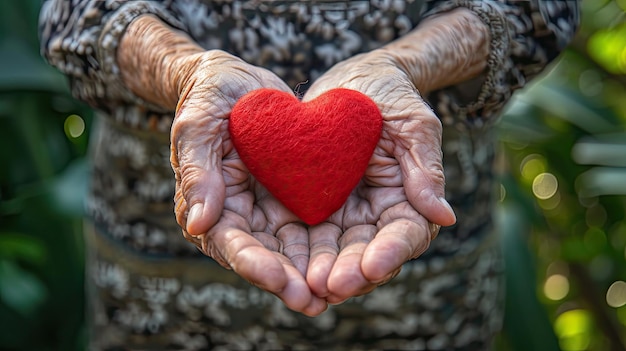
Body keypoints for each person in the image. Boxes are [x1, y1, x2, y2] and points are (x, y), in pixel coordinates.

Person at [39, 1, 579, 349]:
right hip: (161, 294)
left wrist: (409, 64)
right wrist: (187, 72)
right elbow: (73, 14)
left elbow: (541, 9)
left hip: (421, 286)